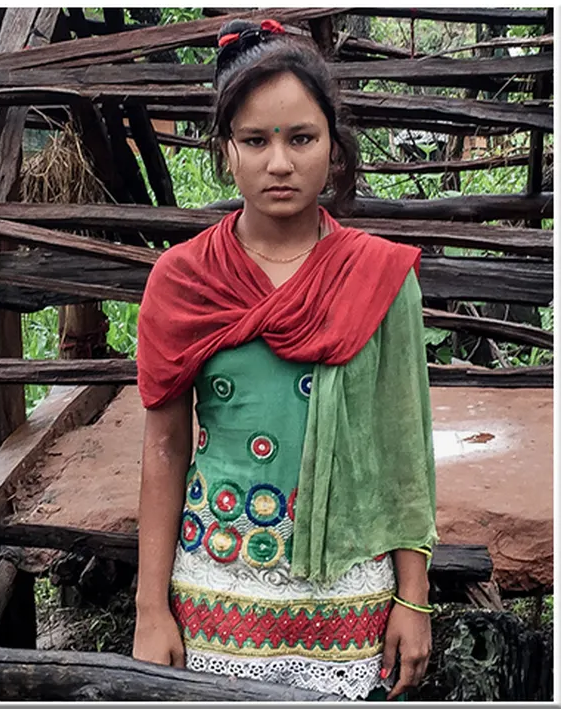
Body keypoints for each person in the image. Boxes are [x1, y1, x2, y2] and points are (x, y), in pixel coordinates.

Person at [130, 19, 436, 701]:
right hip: (216, 585)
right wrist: (152, 609)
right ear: (225, 153)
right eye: (255, 140)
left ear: (334, 147)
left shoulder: (380, 278)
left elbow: (403, 449)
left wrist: (412, 599)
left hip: (349, 595)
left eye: (301, 138)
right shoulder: (182, 282)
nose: (279, 162)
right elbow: (164, 445)